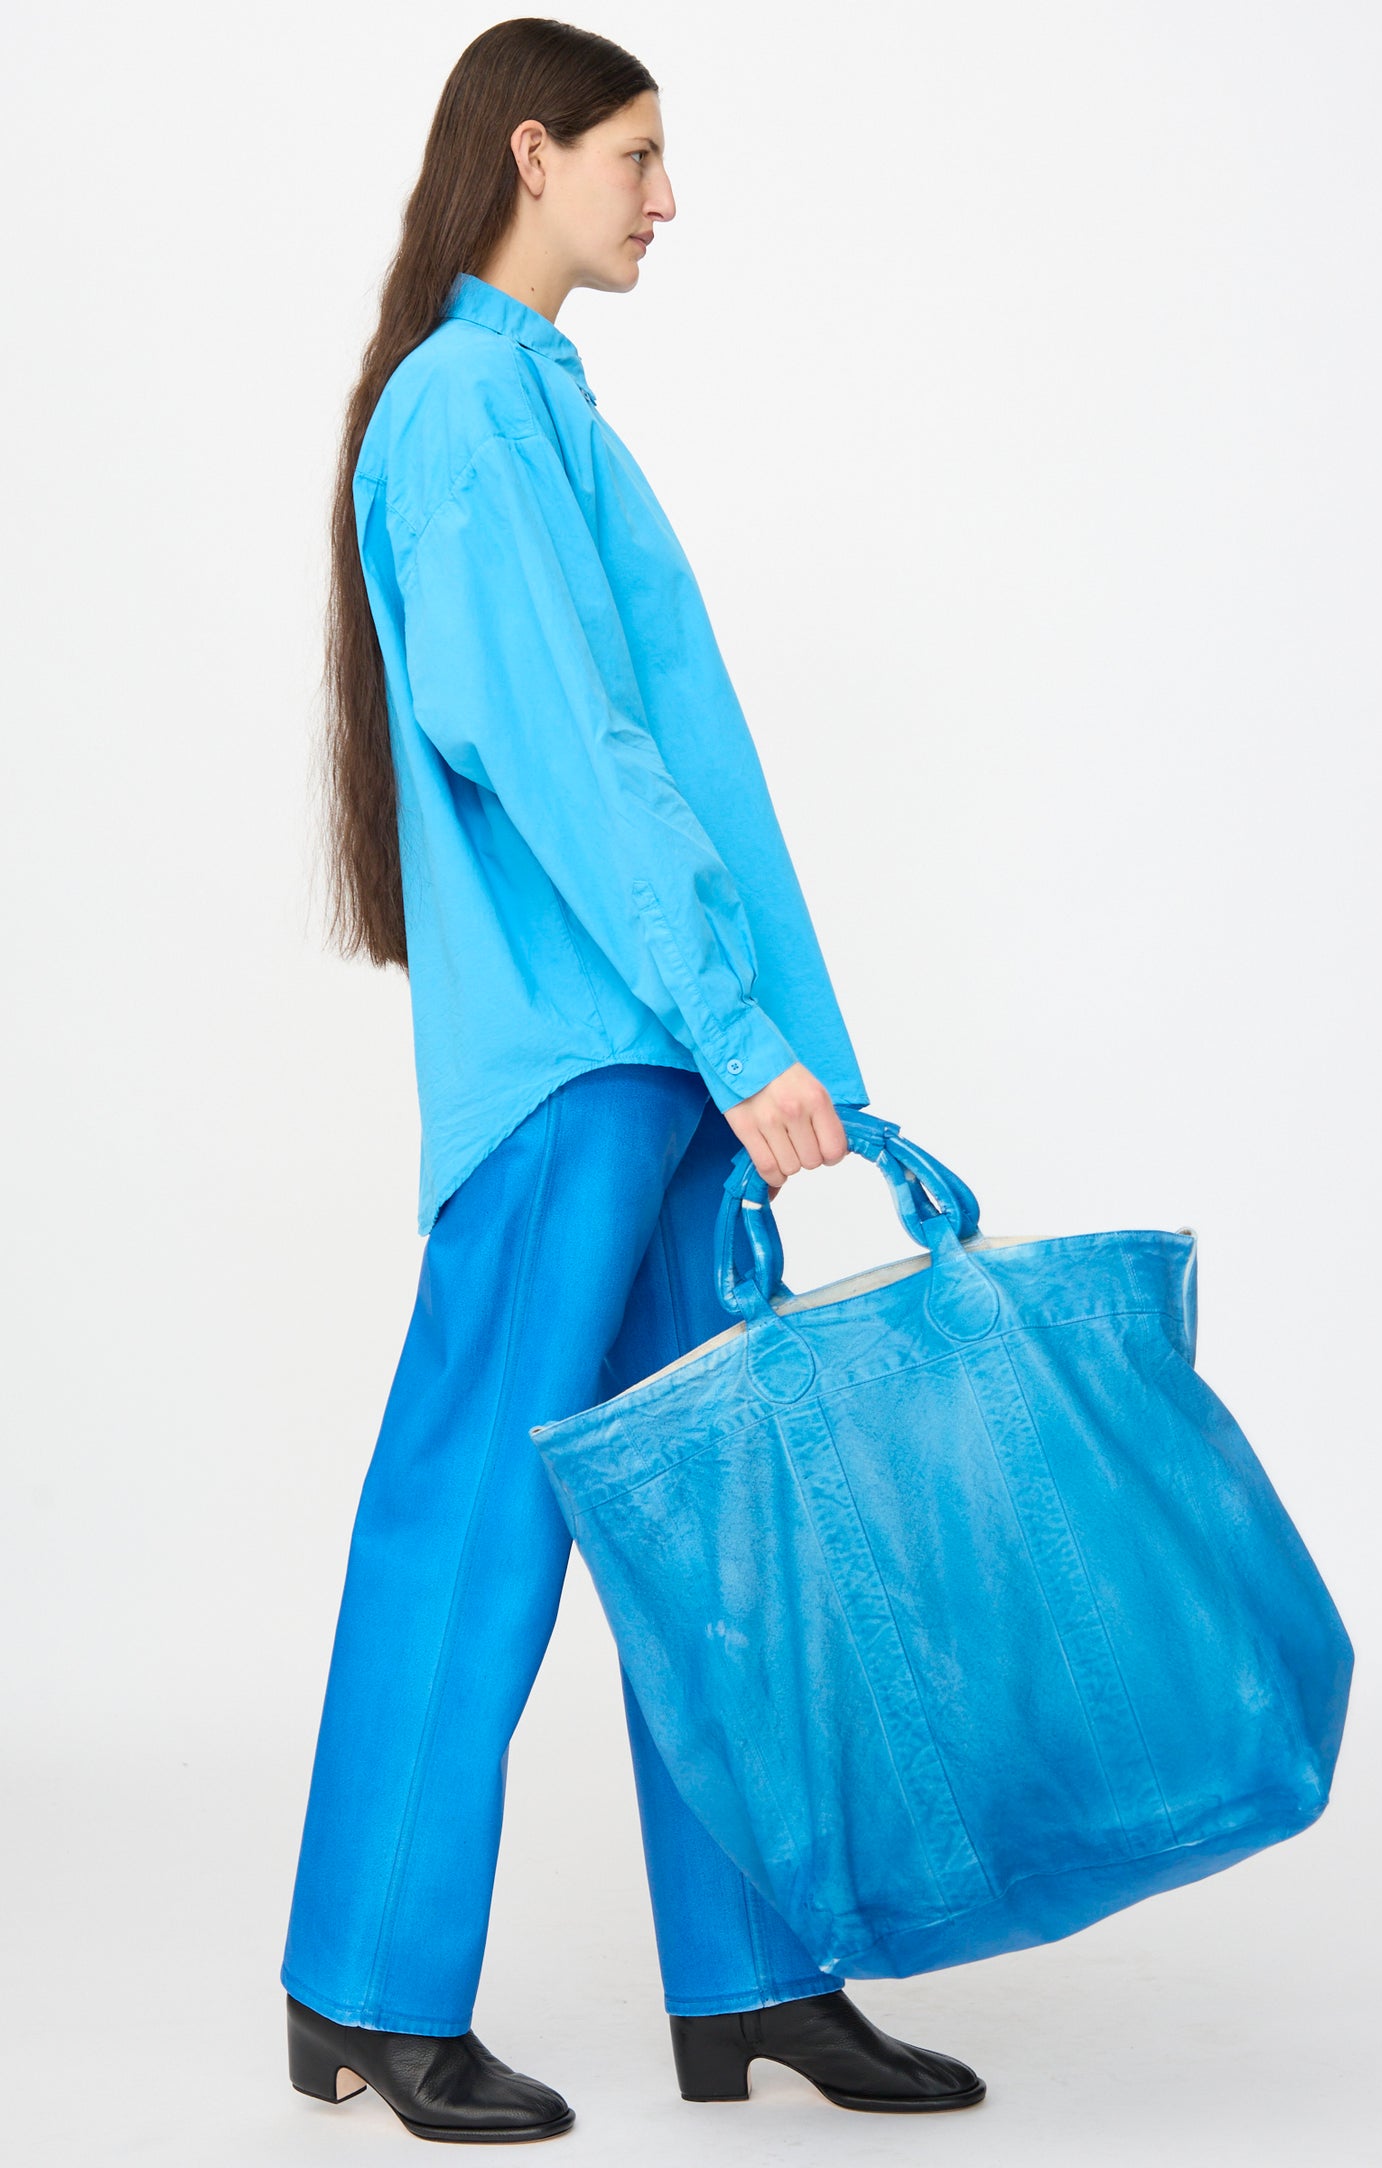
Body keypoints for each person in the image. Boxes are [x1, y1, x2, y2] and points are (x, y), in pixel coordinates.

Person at [280, 18, 986, 2142]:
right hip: (584, 1064)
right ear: (532, 152)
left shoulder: (533, 406)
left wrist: (783, 1060)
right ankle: (370, 1989)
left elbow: (673, 766)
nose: (668, 200)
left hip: (663, 1058)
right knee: (474, 1516)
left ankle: (753, 1981)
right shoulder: (464, 415)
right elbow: (570, 765)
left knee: (720, 1529)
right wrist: (736, 1027)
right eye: (640, 157)